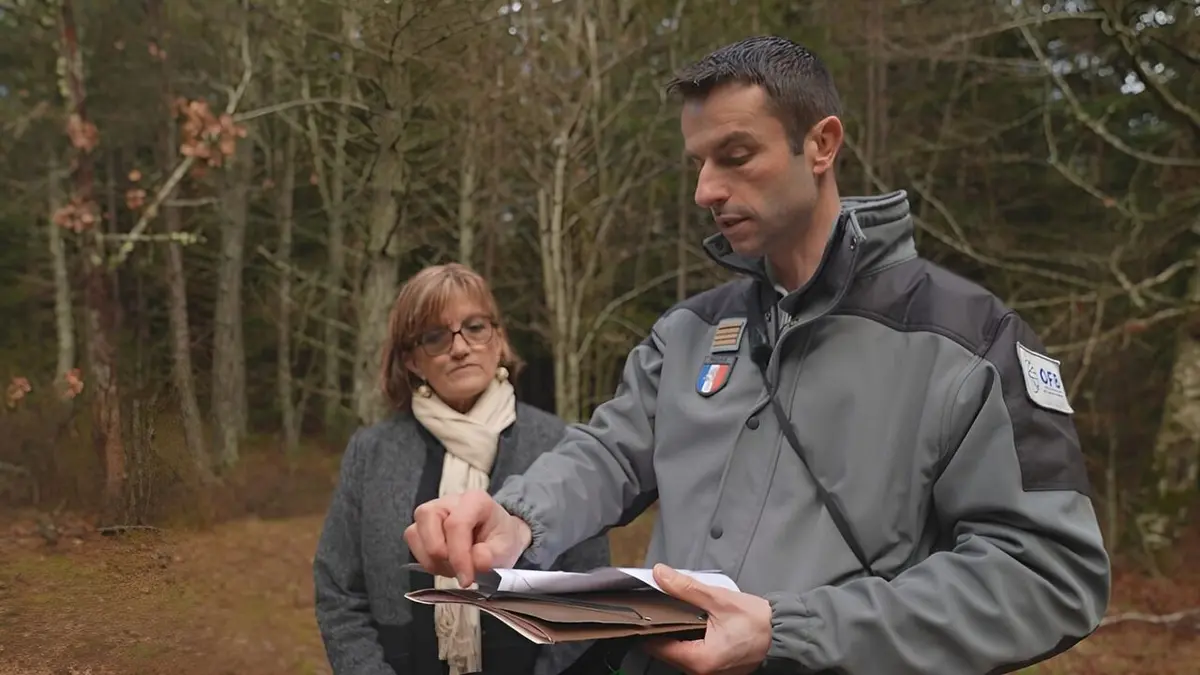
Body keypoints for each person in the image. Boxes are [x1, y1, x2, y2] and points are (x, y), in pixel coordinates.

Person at [404, 36, 1112, 675]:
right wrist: (518, 516)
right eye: (699, 162)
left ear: (821, 144)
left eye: (736, 157)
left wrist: (788, 630)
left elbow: (1048, 575)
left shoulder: (969, 342)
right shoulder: (688, 333)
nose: (706, 190)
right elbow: (612, 452)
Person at [313, 263, 611, 675]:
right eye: (435, 336)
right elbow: (339, 591)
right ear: (412, 361)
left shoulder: (557, 443)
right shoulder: (372, 452)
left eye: (475, 327)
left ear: (500, 340)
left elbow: (589, 593)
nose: (460, 347)